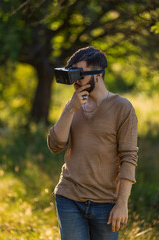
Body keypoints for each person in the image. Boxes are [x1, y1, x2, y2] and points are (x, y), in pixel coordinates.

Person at [47, 46, 138, 240]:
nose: (75, 79)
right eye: (72, 72)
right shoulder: (73, 105)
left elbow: (129, 157)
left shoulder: (122, 107)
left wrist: (122, 203)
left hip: (106, 203)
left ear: (97, 75)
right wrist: (70, 109)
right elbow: (55, 145)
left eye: (79, 73)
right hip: (69, 198)